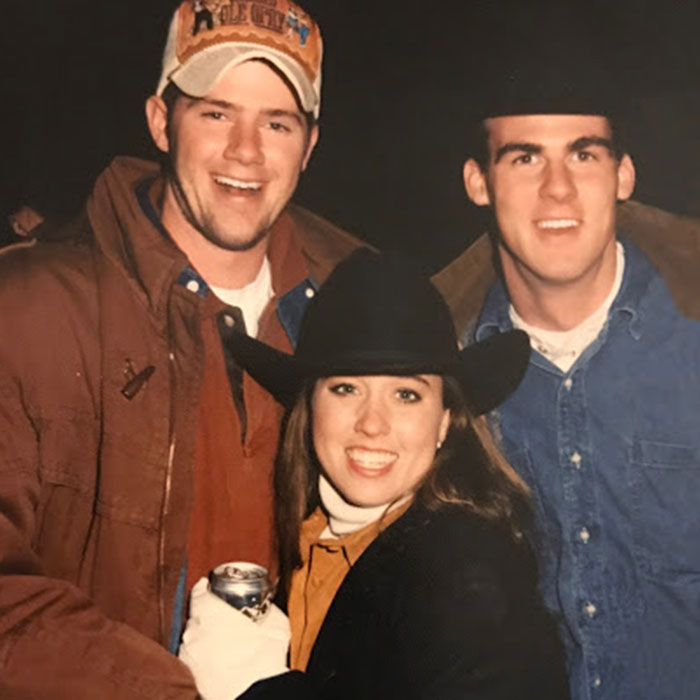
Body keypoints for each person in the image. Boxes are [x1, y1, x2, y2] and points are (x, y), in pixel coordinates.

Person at [0, 1, 365, 697]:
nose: (247, 151)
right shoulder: (27, 308)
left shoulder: (357, 313)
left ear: (310, 145)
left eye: (278, 122)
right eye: (216, 113)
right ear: (161, 121)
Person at [177, 250, 571, 700]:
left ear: (444, 421)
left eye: (406, 395)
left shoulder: (467, 573)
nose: (372, 423)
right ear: (310, 409)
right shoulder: (311, 539)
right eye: (346, 389)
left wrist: (249, 685)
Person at [432, 76, 700, 700]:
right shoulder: (446, 384)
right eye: (525, 157)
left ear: (623, 174)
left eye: (583, 154)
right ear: (478, 182)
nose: (559, 188)